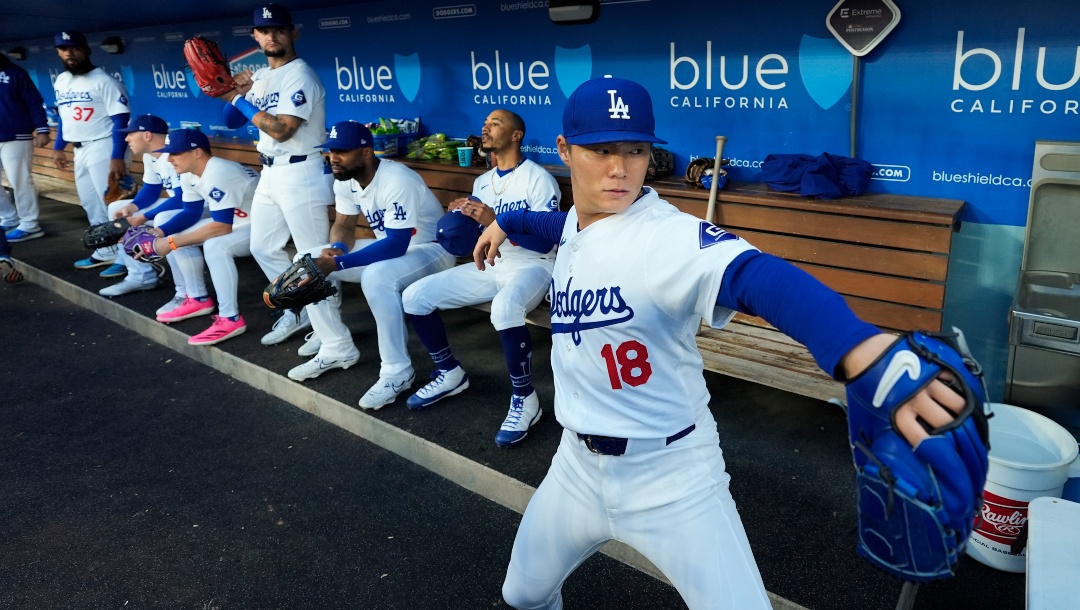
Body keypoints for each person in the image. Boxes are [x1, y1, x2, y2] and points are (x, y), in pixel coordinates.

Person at [473, 76, 970, 610]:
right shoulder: (579, 218)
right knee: (522, 594)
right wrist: (506, 221)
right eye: (601, 150)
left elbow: (759, 278)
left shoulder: (666, 236)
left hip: (672, 476)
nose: (619, 169)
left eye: (636, 150)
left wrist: (857, 346)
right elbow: (560, 226)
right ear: (566, 151)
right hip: (574, 465)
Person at [401, 109, 560, 447]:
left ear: (516, 135)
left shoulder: (537, 178)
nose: (486, 128)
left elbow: (547, 241)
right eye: (485, 124)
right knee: (414, 296)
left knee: (504, 309)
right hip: (491, 263)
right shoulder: (482, 182)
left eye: (495, 124)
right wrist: (459, 219)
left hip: (534, 264)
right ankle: (449, 373)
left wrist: (493, 219)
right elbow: (471, 239)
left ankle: (525, 399)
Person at [287, 121, 455, 409]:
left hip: (432, 251)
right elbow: (344, 224)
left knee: (377, 277)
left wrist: (337, 264)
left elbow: (396, 244)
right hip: (397, 253)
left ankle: (396, 372)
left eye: (341, 151)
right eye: (330, 151)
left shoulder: (396, 179)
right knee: (307, 261)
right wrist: (336, 249)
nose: (333, 158)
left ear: (365, 152)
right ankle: (335, 345)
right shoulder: (347, 179)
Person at [212, 3, 333, 347]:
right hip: (269, 172)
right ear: (255, 35)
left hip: (301, 172)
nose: (271, 36)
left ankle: (329, 334)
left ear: (292, 33)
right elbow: (232, 119)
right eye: (264, 30)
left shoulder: (301, 75)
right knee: (262, 246)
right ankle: (300, 309)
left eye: (278, 29)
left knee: (313, 256)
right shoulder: (261, 75)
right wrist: (236, 92)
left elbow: (282, 130)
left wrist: (239, 98)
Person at [143, 129, 259, 345]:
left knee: (216, 246)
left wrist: (169, 243)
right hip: (238, 220)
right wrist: (157, 233)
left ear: (197, 152)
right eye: (169, 153)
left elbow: (221, 227)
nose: (169, 159)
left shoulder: (218, 171)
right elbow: (190, 213)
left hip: (263, 225)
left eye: (175, 153)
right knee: (168, 223)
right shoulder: (189, 172)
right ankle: (197, 298)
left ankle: (230, 318)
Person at [51, 30, 132, 277]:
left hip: (104, 145)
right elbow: (64, 117)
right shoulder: (62, 80)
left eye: (74, 48)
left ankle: (129, 256)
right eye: (64, 49)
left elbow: (121, 120)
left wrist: (117, 156)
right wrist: (58, 146)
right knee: (91, 204)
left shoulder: (104, 81)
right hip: (80, 148)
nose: (69, 53)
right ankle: (106, 251)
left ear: (86, 50)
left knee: (116, 204)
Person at [99, 114, 185, 299]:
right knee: (118, 208)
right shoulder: (150, 155)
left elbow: (183, 198)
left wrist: (143, 217)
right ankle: (140, 276)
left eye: (131, 133)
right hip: (182, 204)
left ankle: (185, 292)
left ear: (147, 135)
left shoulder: (175, 151)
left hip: (203, 207)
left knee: (164, 218)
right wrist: (132, 206)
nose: (126, 138)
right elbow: (152, 189)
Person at [0, 51, 50, 243]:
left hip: (16, 135)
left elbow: (34, 102)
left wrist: (42, 129)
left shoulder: (15, 72)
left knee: (20, 180)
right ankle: (8, 218)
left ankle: (30, 224)